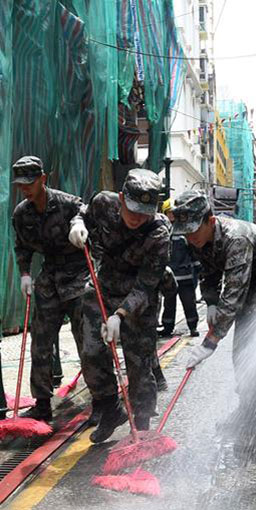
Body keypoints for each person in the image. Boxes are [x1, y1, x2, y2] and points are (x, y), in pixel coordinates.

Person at [173, 191, 256, 450]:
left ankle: (254, 423)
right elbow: (209, 274)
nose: (191, 238)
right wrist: (210, 302)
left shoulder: (236, 238)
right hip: (248, 283)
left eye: (195, 230)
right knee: (242, 351)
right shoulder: (196, 241)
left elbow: (234, 294)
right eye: (186, 232)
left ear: (211, 220)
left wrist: (210, 341)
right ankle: (246, 411)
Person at [68, 169, 171, 443]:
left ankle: (143, 426)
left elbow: (146, 285)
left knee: (139, 363)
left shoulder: (159, 233)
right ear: (122, 198)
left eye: (145, 212)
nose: (138, 218)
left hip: (138, 300)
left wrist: (120, 315)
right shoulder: (104, 203)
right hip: (103, 288)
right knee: (91, 351)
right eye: (133, 209)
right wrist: (77, 225)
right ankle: (109, 407)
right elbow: (82, 214)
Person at [11, 156, 89, 424]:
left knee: (87, 340)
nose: (25, 188)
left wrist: (79, 223)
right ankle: (42, 402)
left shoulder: (67, 203)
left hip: (78, 274)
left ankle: (102, 398)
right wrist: (24, 273)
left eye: (30, 182)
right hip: (50, 276)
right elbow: (22, 246)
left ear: (43, 179)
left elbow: (85, 211)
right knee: (40, 341)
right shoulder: (22, 213)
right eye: (20, 184)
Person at [158, 200, 200, 338]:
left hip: (185, 277)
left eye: (173, 213)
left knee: (189, 304)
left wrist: (197, 274)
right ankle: (167, 328)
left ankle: (193, 327)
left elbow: (193, 254)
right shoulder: (162, 231)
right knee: (169, 305)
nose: (171, 216)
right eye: (169, 212)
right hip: (169, 278)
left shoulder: (184, 231)